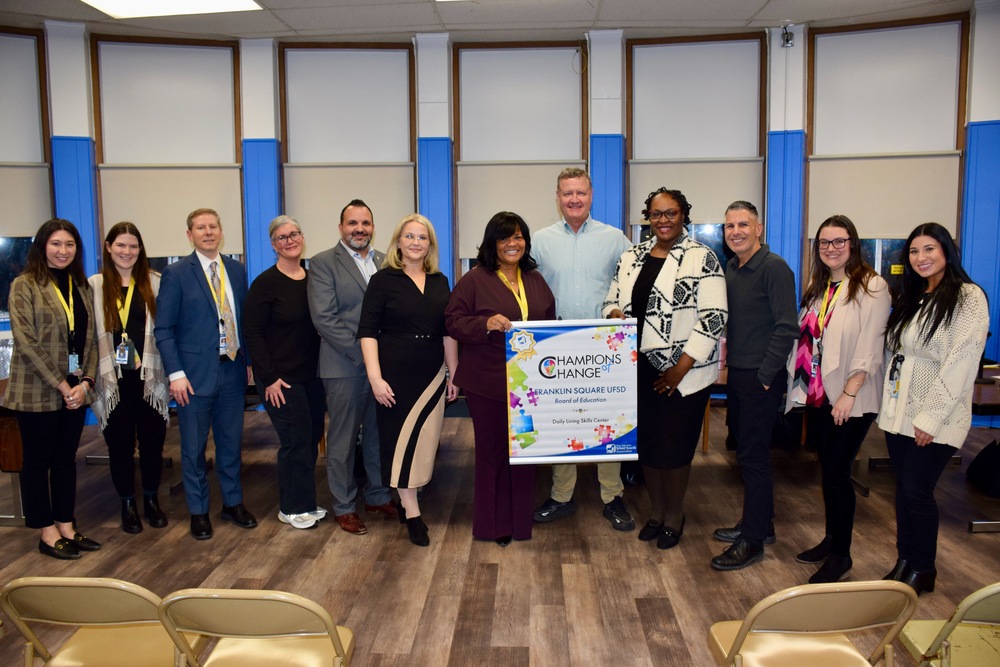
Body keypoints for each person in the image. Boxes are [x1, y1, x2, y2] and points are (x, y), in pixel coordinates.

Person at [604, 188, 727, 549]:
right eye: (656, 214)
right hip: (637, 368)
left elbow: (714, 316)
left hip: (684, 373)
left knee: (674, 447)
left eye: (671, 213)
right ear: (648, 217)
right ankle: (656, 513)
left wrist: (680, 368)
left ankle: (674, 516)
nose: (663, 220)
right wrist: (614, 312)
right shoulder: (632, 256)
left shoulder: (701, 257)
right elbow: (610, 299)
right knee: (648, 446)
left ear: (683, 215)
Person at [880, 222, 989, 595]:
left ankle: (923, 569)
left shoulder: (967, 297)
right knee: (903, 490)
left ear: (947, 251)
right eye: (914, 251)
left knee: (917, 490)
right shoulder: (913, 295)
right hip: (899, 412)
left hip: (936, 416)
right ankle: (905, 560)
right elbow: (897, 355)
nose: (920, 257)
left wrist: (930, 418)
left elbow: (961, 363)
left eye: (929, 249)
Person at [785, 215, 891, 583]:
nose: (831, 248)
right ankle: (831, 540)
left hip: (851, 397)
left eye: (839, 241)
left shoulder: (872, 286)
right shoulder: (819, 287)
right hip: (819, 395)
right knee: (828, 473)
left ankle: (842, 555)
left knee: (837, 473)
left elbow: (871, 347)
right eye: (824, 243)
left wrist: (849, 393)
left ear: (853, 243)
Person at [531, 167, 636, 531]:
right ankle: (561, 496)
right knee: (562, 420)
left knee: (608, 420)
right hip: (555, 346)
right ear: (557, 198)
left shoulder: (616, 239)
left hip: (604, 345)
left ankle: (612, 496)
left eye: (580, 192)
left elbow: (631, 283)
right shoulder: (539, 241)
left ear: (591, 196)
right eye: (567, 193)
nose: (574, 199)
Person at [445, 211, 556, 546]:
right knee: (492, 453)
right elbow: (452, 321)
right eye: (504, 237)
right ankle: (493, 525)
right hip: (487, 382)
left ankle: (520, 523)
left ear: (526, 242)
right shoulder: (474, 280)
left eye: (518, 236)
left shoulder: (535, 279)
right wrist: (484, 324)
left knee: (523, 452)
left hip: (528, 386)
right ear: (492, 243)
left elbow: (550, 322)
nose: (512, 243)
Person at [154, 208, 257, 540]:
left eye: (213, 226)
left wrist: (249, 362)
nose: (208, 232)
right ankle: (198, 511)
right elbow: (164, 330)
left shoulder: (236, 270)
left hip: (233, 370)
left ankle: (232, 503)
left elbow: (243, 320)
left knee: (231, 444)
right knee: (193, 449)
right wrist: (175, 374)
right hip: (193, 377)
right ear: (190, 235)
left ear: (221, 231)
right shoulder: (176, 274)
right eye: (201, 228)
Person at [358, 214, 459, 547]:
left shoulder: (441, 281)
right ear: (398, 242)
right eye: (410, 236)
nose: (416, 242)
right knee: (401, 443)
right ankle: (412, 511)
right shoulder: (382, 280)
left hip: (431, 373)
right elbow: (368, 333)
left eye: (422, 237)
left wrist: (453, 372)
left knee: (425, 443)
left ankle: (408, 500)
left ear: (430, 245)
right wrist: (375, 378)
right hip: (394, 374)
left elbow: (448, 333)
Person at [5, 218, 102, 559]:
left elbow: (91, 341)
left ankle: (66, 525)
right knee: (37, 463)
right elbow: (27, 343)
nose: (63, 251)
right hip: (37, 392)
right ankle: (46, 532)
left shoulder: (81, 286)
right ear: (42, 246)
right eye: (56, 243)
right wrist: (63, 385)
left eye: (70, 244)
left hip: (75, 393)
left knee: (64, 461)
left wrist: (86, 383)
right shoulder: (24, 285)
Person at [711, 200, 798, 571]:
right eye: (730, 226)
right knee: (746, 452)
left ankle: (753, 541)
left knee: (753, 457)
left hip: (760, 377)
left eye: (743, 224)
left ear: (758, 228)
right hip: (739, 374)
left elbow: (787, 326)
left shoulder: (774, 267)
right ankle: (762, 523)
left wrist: (765, 376)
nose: (736, 232)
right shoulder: (732, 267)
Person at [308, 199, 397, 535]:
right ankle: (344, 506)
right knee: (343, 441)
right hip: (345, 366)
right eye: (353, 223)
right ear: (341, 227)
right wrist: (366, 355)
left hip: (383, 369)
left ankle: (377, 495)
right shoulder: (323, 263)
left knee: (377, 435)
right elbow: (325, 318)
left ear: (373, 227)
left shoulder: (385, 261)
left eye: (366, 223)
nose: (360, 229)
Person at [243, 216, 326, 530]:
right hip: (280, 379)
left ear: (302, 237)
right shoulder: (265, 284)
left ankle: (305, 502)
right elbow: (253, 332)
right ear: (273, 245)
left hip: (313, 376)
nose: (289, 241)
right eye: (282, 237)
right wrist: (268, 378)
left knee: (311, 436)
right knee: (295, 440)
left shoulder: (313, 279)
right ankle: (292, 507)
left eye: (294, 234)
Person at [90, 222, 170, 534]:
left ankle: (151, 500)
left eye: (133, 246)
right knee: (120, 447)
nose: (127, 251)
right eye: (121, 245)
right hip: (112, 381)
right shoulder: (95, 285)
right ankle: (127, 504)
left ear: (140, 250)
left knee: (153, 445)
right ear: (109, 247)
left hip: (150, 379)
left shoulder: (155, 282)